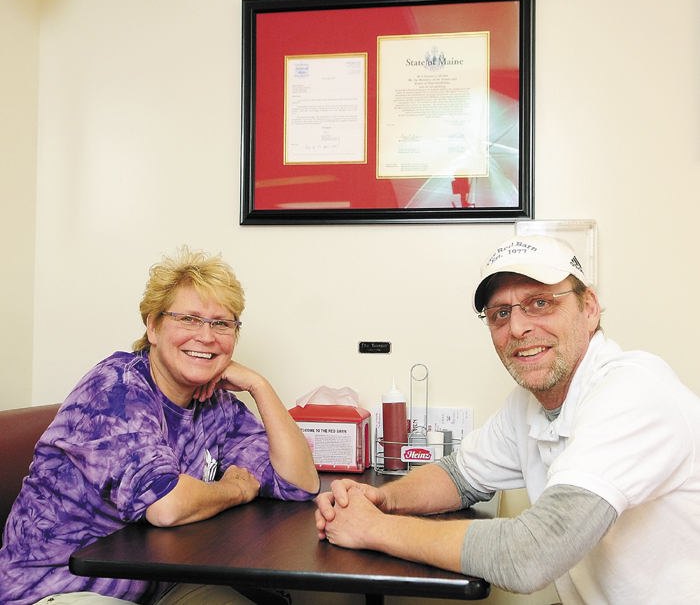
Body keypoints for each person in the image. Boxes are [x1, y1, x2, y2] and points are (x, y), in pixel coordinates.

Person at [315, 234, 700, 604]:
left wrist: (373, 528)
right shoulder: (528, 403)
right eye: (501, 313)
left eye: (540, 303)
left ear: (589, 308)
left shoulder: (633, 391)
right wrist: (382, 498)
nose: (517, 328)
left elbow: (531, 555)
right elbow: (459, 476)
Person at [0, 247, 319, 605]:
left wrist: (260, 386)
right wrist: (235, 489)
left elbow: (299, 483)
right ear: (153, 326)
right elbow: (166, 505)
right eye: (188, 319)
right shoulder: (115, 390)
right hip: (61, 588)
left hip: (156, 578)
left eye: (222, 323)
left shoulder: (215, 405)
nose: (207, 336)